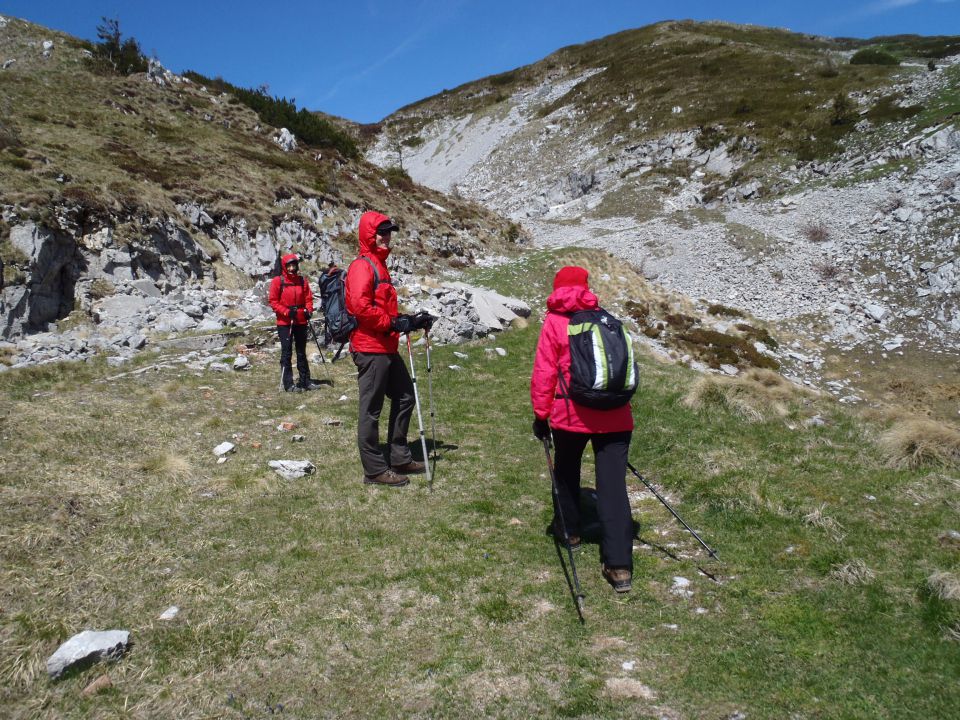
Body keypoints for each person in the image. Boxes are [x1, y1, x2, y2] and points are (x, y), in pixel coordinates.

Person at [530, 266, 635, 593]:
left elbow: (545, 371)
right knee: (613, 488)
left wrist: (540, 414)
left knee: (566, 471)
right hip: (616, 416)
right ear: (586, 287)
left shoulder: (554, 322)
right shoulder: (604, 317)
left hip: (570, 415)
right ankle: (619, 567)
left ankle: (570, 531)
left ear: (557, 288)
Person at [345, 211, 433, 487]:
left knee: (405, 396)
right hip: (370, 349)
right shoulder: (362, 266)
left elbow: (382, 308)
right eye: (382, 232)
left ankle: (398, 456)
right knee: (370, 410)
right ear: (369, 235)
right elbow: (361, 308)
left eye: (389, 231)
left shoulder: (380, 266)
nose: (387, 237)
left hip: (385, 345)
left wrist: (409, 320)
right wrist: (394, 322)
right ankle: (374, 470)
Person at [269, 253, 320, 393]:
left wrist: (308, 310)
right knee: (286, 352)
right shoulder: (278, 281)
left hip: (301, 320)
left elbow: (308, 299)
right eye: (289, 266)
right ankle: (288, 384)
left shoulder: (302, 281)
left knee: (301, 352)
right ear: (285, 267)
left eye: (294, 265)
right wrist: (286, 312)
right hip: (285, 322)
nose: (292, 268)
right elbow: (273, 301)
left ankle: (305, 381)